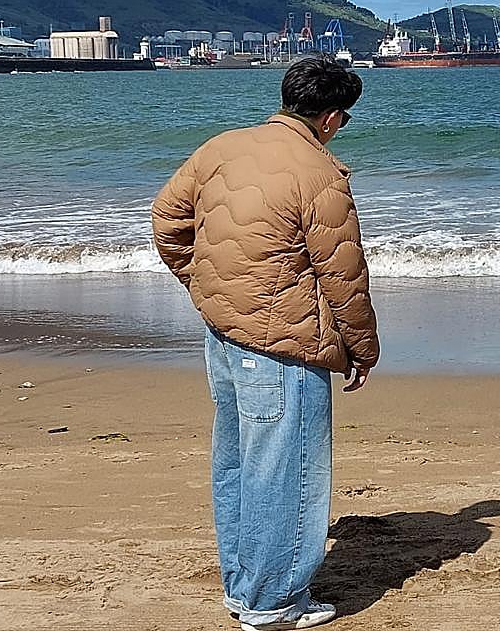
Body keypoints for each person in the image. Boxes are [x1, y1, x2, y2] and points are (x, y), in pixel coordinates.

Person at [151, 55, 379, 630]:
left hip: (223, 330)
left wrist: (203, 282)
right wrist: (363, 348)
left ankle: (244, 586)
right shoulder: (320, 174)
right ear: (330, 118)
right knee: (287, 470)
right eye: (344, 119)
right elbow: (344, 275)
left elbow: (167, 219)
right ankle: (272, 601)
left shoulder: (221, 147)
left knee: (238, 460)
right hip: (285, 345)